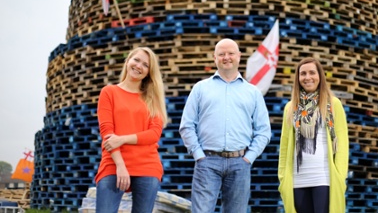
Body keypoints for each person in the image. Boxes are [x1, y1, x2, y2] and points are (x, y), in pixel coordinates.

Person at [179, 38, 272, 213]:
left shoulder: (253, 92)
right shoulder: (200, 89)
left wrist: (248, 158)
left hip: (240, 163)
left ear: (239, 56)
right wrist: (199, 156)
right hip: (207, 161)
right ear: (215, 58)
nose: (226, 57)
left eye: (230, 53)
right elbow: (187, 125)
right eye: (221, 54)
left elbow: (263, 131)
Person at [94, 47, 168, 212]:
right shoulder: (109, 92)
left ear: (149, 72)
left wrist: (122, 139)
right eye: (136, 60)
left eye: (145, 65)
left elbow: (153, 134)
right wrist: (120, 165)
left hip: (147, 165)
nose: (139, 66)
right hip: (113, 163)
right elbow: (107, 132)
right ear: (128, 61)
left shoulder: (152, 99)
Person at [278, 57, 349, 213]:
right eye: (302, 74)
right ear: (298, 78)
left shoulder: (333, 104)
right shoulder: (291, 108)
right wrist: (283, 177)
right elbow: (284, 147)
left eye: (312, 72)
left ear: (320, 76)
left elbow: (342, 144)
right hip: (297, 180)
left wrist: (340, 175)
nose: (307, 77)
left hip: (324, 178)